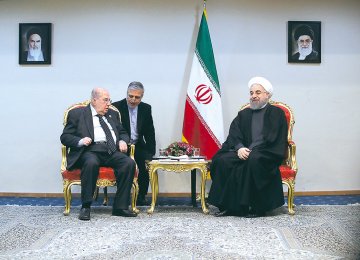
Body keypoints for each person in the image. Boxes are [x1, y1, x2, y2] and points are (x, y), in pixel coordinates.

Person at [207, 76, 287, 218]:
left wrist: (252, 150)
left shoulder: (276, 113)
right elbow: (234, 134)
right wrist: (239, 148)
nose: (254, 96)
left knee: (254, 160)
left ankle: (257, 207)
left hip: (266, 153)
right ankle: (227, 206)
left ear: (267, 95)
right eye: (251, 93)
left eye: (258, 92)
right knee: (222, 160)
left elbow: (273, 138)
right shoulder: (243, 114)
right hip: (244, 151)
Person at [60, 87, 137, 220]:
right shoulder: (78, 114)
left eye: (109, 100)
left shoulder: (112, 114)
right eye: (105, 100)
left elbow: (123, 132)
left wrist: (123, 141)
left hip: (111, 150)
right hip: (90, 150)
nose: (109, 104)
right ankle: (86, 206)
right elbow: (65, 137)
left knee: (128, 163)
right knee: (91, 162)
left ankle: (120, 207)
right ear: (94, 100)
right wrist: (80, 141)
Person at [112, 81, 156, 206]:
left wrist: (151, 153)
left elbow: (150, 131)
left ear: (142, 97)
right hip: (121, 146)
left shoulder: (146, 108)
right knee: (125, 166)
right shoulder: (116, 107)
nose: (133, 99)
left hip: (138, 145)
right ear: (127, 94)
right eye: (130, 96)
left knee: (144, 166)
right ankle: (122, 197)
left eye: (137, 97)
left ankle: (141, 196)